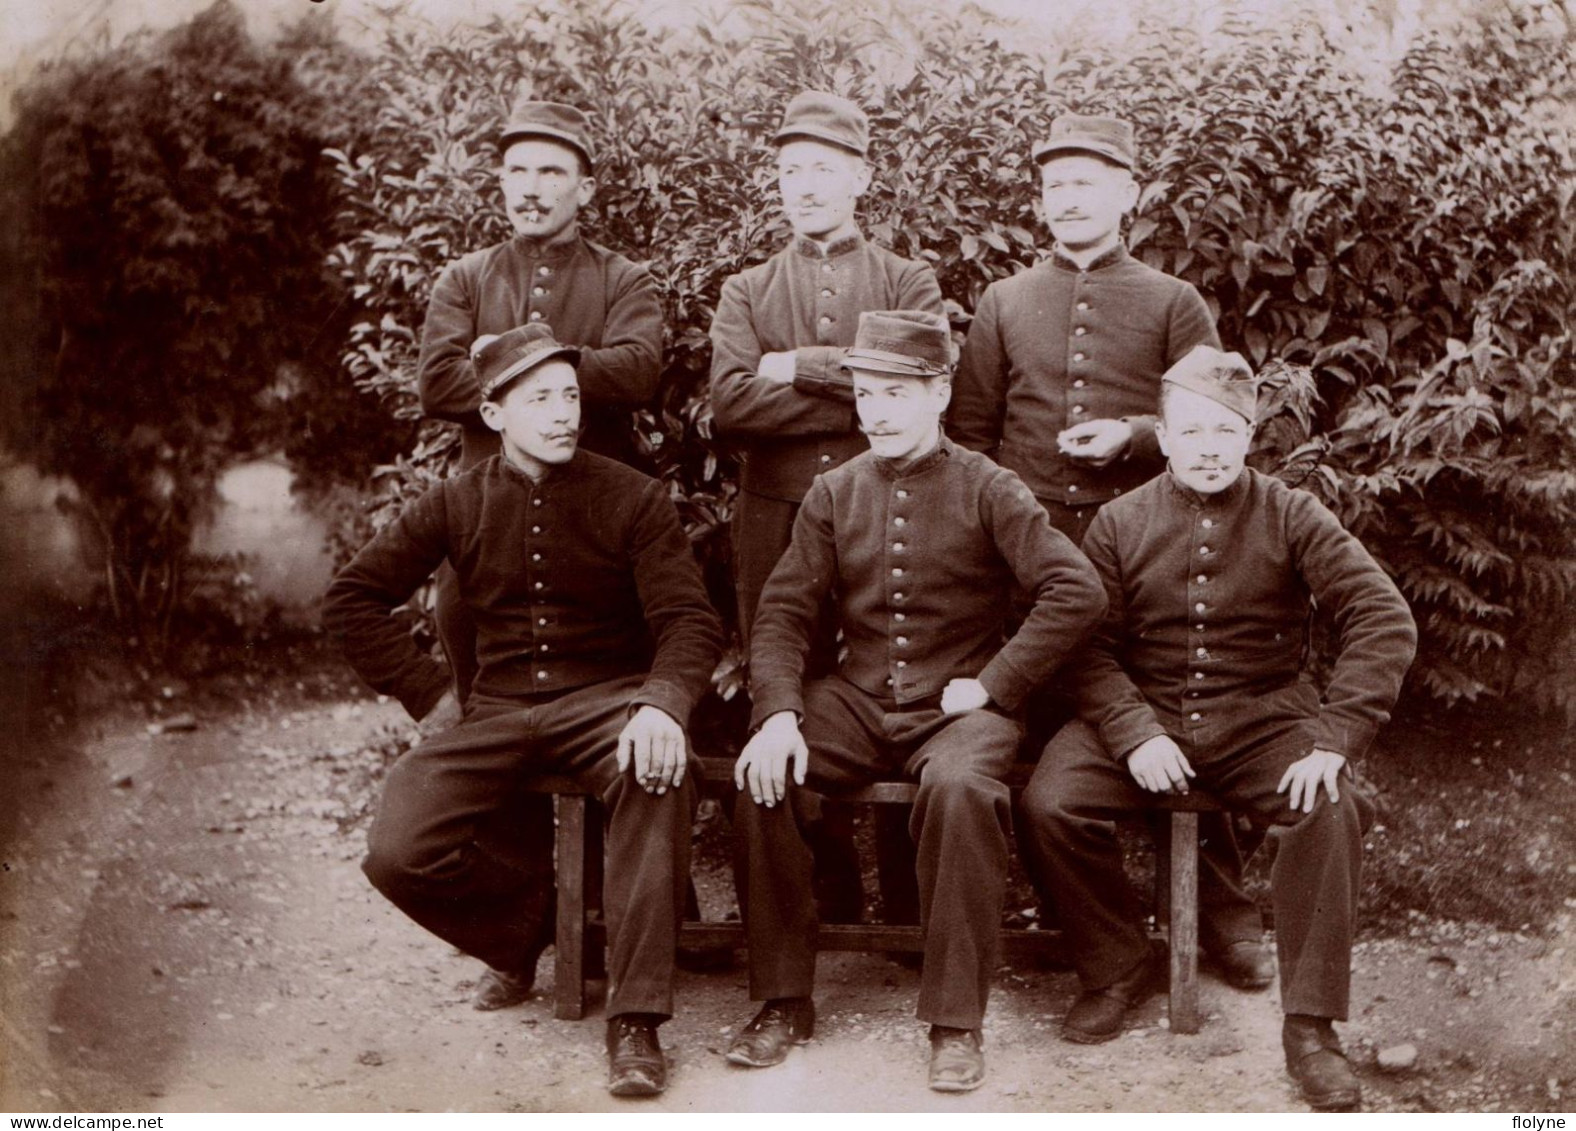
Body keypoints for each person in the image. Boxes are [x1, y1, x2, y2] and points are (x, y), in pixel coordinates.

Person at [324, 324, 723, 1097]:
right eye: (538, 398)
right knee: (397, 848)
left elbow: (688, 619)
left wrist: (662, 703)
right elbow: (353, 596)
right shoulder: (455, 499)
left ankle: (635, 1021)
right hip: (498, 709)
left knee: (657, 777)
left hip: (605, 704)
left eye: (569, 395)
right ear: (494, 414)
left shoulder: (632, 496)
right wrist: (428, 692)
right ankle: (538, 924)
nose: (561, 413)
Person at [1017, 346, 1416, 1110]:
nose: (1207, 448)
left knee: (1328, 808)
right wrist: (1134, 730)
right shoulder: (1118, 520)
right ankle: (1117, 963)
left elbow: (1382, 616)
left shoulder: (1292, 512)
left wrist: (1335, 736)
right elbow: (1086, 647)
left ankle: (1310, 1030)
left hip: (1262, 716)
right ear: (1162, 437)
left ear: (1249, 437)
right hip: (1146, 713)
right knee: (1050, 802)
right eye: (1191, 431)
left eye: (1225, 432)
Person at [726, 310, 1107, 1092]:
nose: (877, 411)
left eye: (897, 393)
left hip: (962, 711)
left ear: (939, 394)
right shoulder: (835, 491)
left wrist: (997, 683)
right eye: (865, 393)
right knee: (764, 774)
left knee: (963, 790)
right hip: (859, 698)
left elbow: (1077, 589)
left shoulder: (990, 486)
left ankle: (955, 1020)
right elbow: (784, 612)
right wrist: (777, 715)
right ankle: (782, 997)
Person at [950, 112, 1271, 988]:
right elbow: (972, 436)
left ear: (1129, 194)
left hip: (1150, 549)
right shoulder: (1005, 301)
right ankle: (1084, 928)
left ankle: (1220, 915)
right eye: (1055, 185)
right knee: (1049, 743)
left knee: (1172, 715)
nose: (1069, 200)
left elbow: (1210, 414)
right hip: (1032, 562)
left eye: (1088, 183)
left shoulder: (1172, 301)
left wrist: (1134, 435)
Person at [414, 101, 665, 1005]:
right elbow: (438, 380)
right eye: (517, 170)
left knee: (607, 709)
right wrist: (556, 366)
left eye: (551, 171)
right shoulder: (465, 274)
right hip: (487, 531)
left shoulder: (624, 274)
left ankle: (610, 924)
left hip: (599, 526)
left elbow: (640, 369)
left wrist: (516, 362)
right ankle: (516, 938)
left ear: (584, 188)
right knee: (498, 724)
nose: (531, 187)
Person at [709, 91, 944, 925]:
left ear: (861, 176)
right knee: (791, 688)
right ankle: (822, 900)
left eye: (821, 168)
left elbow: (911, 387)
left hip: (888, 507)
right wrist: (855, 382)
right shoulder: (746, 288)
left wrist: (793, 365)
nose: (803, 186)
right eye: (788, 171)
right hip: (774, 521)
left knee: (895, 676)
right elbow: (730, 406)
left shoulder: (907, 278)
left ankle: (911, 908)